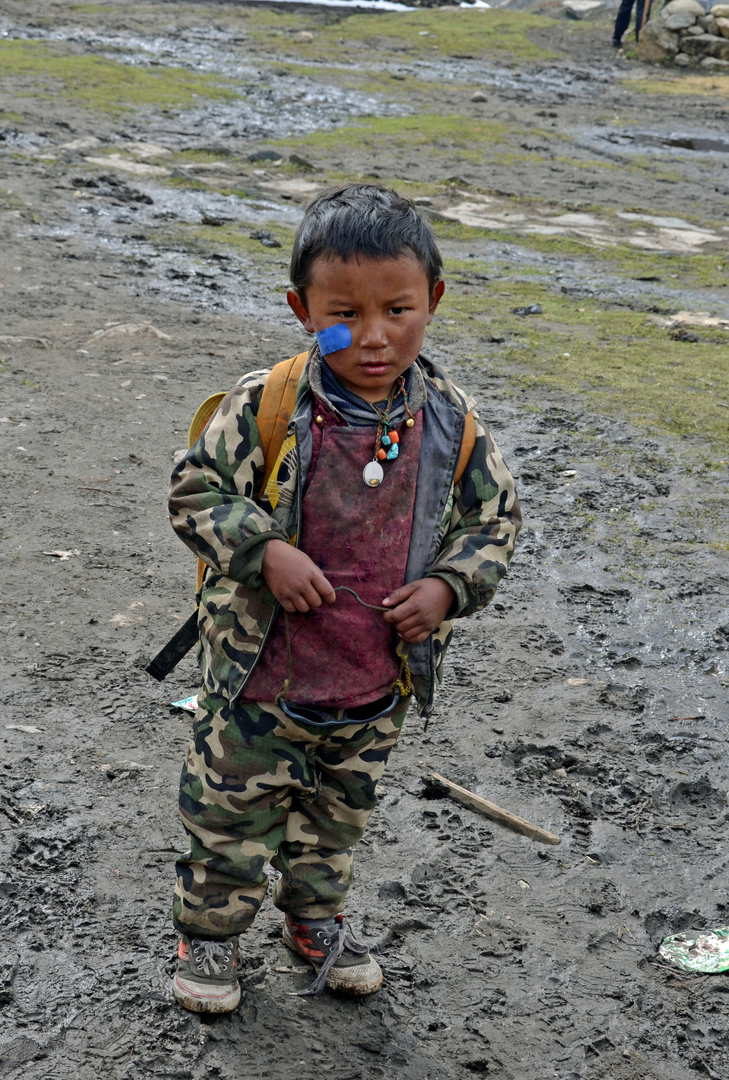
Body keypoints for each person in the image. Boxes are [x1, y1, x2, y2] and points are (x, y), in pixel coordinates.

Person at [165, 183, 522, 1013]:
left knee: (335, 820)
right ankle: (209, 939)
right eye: (342, 314)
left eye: (397, 309)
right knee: (230, 819)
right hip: (260, 680)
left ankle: (313, 922)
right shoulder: (270, 405)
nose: (371, 336)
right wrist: (266, 552)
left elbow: (494, 519)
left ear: (432, 299)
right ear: (300, 308)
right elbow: (194, 492)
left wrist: (446, 586)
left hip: (371, 683)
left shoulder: (450, 422)